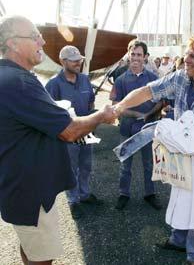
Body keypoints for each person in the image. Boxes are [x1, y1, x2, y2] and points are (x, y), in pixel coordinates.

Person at [114, 31, 194, 264]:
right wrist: (119, 107)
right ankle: (178, 240)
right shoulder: (181, 77)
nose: (187, 60)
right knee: (180, 199)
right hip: (181, 161)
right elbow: (148, 91)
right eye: (187, 54)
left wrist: (177, 142)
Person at [0, 15, 116, 265]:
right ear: (13, 44)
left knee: (31, 248)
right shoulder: (19, 82)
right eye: (34, 36)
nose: (41, 40)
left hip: (19, 185)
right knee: (42, 256)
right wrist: (102, 116)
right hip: (32, 191)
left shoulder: (7, 76)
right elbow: (69, 131)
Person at [45, 45, 102, 220]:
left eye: (79, 60)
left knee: (86, 166)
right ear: (63, 61)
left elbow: (91, 103)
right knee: (71, 168)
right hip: (68, 134)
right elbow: (48, 111)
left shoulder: (85, 80)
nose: (78, 63)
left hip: (86, 130)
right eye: (74, 60)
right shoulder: (53, 84)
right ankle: (73, 201)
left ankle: (84, 195)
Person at [111, 39, 162, 211]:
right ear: (128, 54)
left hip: (147, 129)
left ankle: (150, 194)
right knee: (125, 165)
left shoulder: (154, 79)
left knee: (149, 164)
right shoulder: (120, 80)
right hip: (126, 128)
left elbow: (161, 101)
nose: (135, 58)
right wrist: (137, 114)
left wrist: (148, 114)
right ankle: (123, 194)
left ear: (146, 57)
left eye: (139, 54)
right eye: (132, 54)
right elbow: (116, 106)